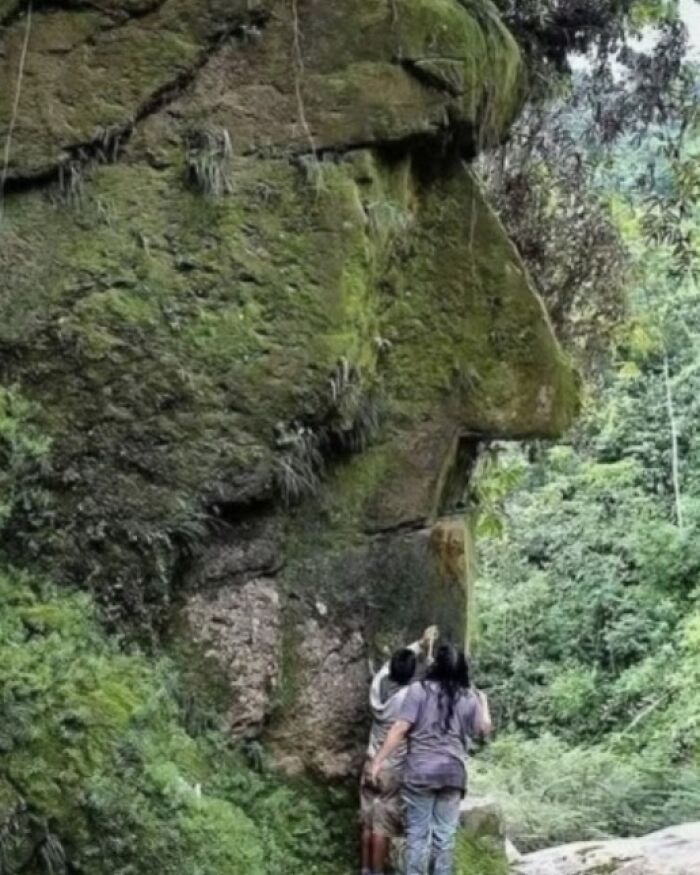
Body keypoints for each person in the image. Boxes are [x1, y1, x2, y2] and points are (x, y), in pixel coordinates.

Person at [369, 643, 491, 875]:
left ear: (435, 664)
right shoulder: (468, 698)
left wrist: (378, 761)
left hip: (420, 774)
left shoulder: (418, 690)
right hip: (453, 775)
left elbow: (399, 728)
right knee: (444, 838)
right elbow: (483, 729)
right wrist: (483, 701)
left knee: (417, 836)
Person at [360, 626, 438, 875]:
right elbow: (430, 689)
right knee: (383, 823)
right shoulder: (409, 697)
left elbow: (390, 664)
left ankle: (364, 869)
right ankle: (377, 872)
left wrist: (419, 643)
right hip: (391, 767)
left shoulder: (379, 686)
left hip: (370, 761)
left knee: (368, 819)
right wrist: (430, 658)